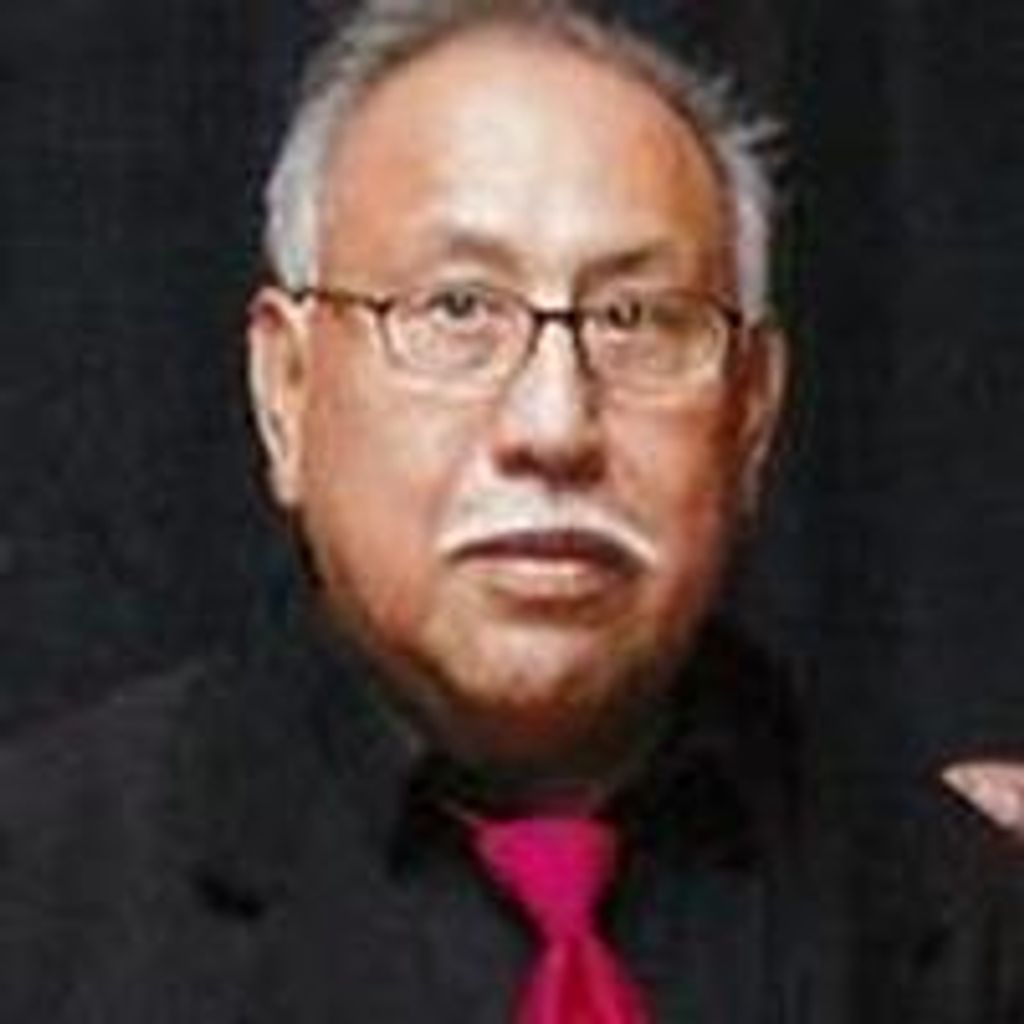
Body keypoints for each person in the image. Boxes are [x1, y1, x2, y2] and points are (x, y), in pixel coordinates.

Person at [0, 1, 1020, 1021]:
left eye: (635, 318)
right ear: (287, 388)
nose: (554, 426)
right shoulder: (43, 904)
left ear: (752, 410)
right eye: (457, 309)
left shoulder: (959, 915)